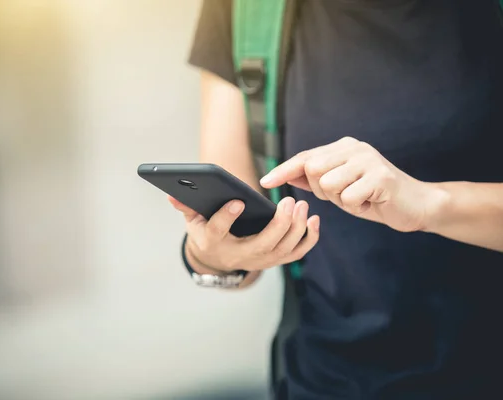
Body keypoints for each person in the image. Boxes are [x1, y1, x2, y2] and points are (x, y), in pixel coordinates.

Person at [169, 0, 503, 398]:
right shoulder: (244, 9)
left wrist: (429, 203)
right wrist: (213, 256)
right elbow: (234, 235)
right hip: (321, 380)